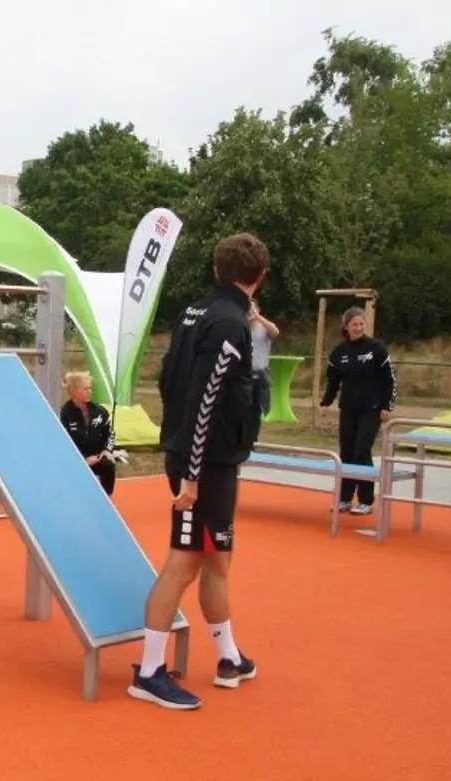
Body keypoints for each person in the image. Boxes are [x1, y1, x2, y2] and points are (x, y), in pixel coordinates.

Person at [133, 232, 267, 710]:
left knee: (217, 558)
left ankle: (229, 657)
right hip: (203, 464)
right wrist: (190, 473)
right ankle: (149, 670)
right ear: (260, 276)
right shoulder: (230, 323)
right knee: (184, 561)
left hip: (207, 459)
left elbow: (169, 379)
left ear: (217, 269)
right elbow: (204, 400)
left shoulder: (194, 313)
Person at [319, 307, 397, 516]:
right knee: (346, 452)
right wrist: (325, 403)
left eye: (361, 324)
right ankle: (344, 498)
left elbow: (389, 380)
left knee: (362, 451)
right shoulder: (339, 352)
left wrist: (387, 406)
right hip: (349, 409)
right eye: (354, 324)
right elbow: (333, 382)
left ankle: (366, 500)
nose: (358, 327)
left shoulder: (376, 348)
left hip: (371, 409)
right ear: (346, 327)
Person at [58, 371, 117, 496]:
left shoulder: (100, 411)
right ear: (73, 391)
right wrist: (84, 459)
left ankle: (107, 499)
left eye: (90, 388)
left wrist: (106, 451)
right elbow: (63, 443)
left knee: (108, 464)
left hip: (98, 456)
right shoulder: (64, 413)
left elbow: (110, 434)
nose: (90, 391)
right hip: (75, 460)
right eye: (85, 388)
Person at [249, 300, 280, 419]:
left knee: (258, 411)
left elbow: (276, 332)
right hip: (245, 375)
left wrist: (257, 317)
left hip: (261, 375)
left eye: (252, 308)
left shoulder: (264, 328)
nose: (249, 312)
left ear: (258, 309)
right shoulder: (241, 327)